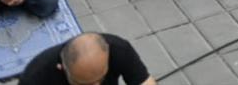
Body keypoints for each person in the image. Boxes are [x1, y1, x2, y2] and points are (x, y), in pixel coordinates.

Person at [18, 32, 155, 85]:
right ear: (62, 68)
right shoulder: (36, 76)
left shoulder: (118, 49)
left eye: (100, 79)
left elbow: (145, 82)